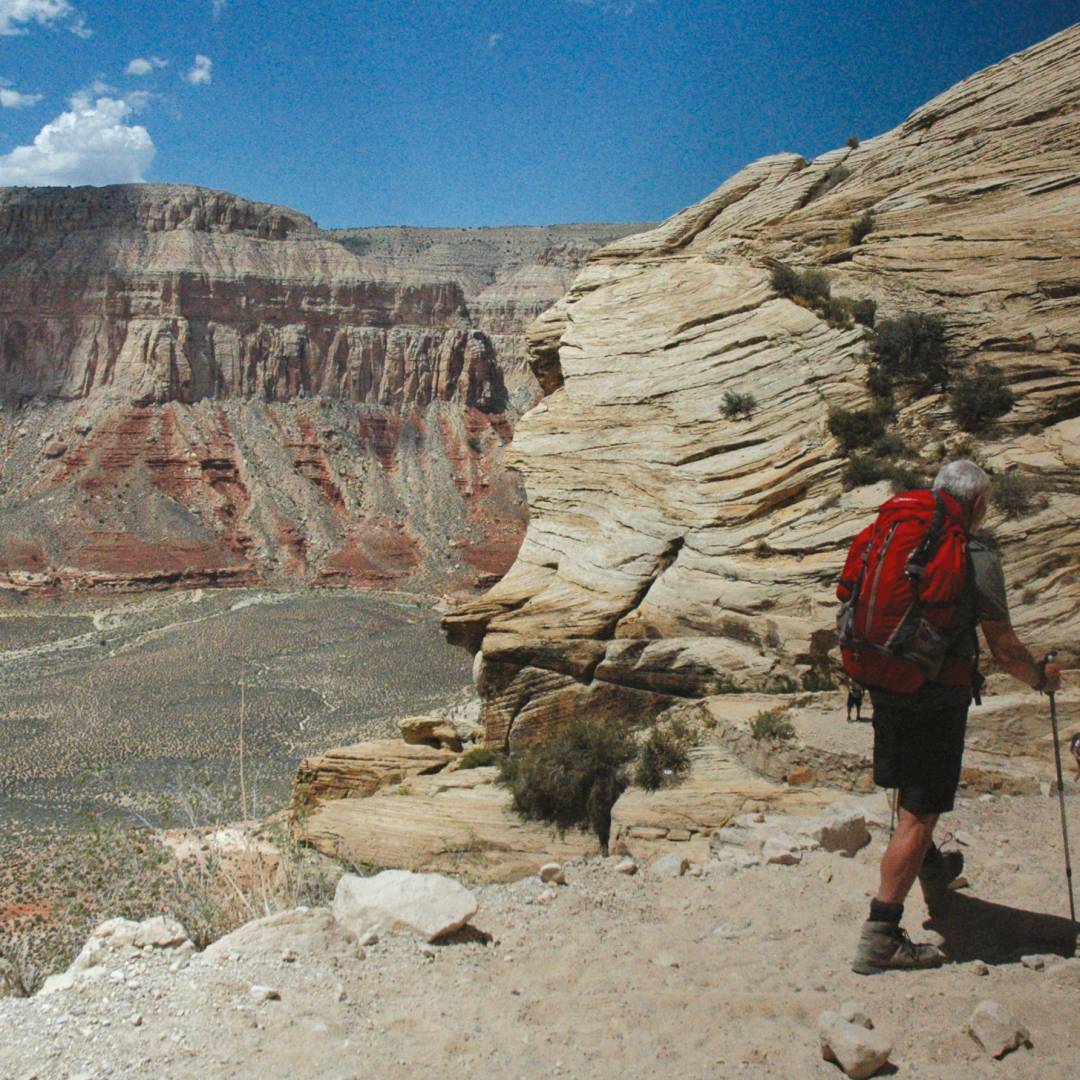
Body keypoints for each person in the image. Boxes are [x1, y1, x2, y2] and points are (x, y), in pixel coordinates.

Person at [851, 460, 1062, 975]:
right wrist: (1040, 679)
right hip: (936, 695)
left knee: (910, 794)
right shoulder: (975, 554)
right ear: (979, 505)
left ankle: (933, 875)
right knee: (920, 812)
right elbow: (1005, 648)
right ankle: (880, 935)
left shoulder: (893, 532)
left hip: (884, 680)